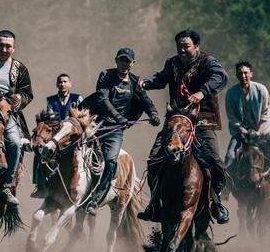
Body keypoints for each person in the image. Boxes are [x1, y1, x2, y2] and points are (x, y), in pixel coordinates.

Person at [138, 29, 229, 224]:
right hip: (176, 121)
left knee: (215, 162)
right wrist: (147, 83)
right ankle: (154, 204)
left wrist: (202, 93)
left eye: (186, 46)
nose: (182, 49)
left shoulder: (208, 62)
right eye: (179, 46)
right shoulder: (172, 63)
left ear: (196, 46)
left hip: (203, 120)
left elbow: (221, 77)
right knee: (154, 159)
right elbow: (161, 79)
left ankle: (216, 201)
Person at [85, 47, 159, 215]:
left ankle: (95, 200)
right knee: (66, 145)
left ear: (133, 63)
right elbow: (102, 98)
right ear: (116, 60)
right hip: (93, 124)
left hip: (114, 131)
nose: (124, 63)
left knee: (110, 161)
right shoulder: (106, 76)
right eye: (121, 59)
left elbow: (146, 101)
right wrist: (119, 116)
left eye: (128, 60)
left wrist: (153, 113)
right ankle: (49, 186)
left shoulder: (135, 82)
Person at [0, 30, 33, 205]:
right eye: (1, 45)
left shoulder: (19, 68)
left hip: (6, 113)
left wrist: (17, 99)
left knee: (15, 142)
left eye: (8, 46)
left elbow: (28, 94)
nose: (4, 49)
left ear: (14, 48)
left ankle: (6, 186)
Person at [31, 73, 83, 198]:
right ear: (56, 84)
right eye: (60, 82)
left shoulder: (78, 98)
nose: (62, 84)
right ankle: (40, 185)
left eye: (65, 82)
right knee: (39, 150)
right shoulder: (51, 100)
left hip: (72, 133)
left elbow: (81, 115)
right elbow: (50, 118)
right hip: (56, 132)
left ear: (70, 84)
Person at [224, 61, 270, 169]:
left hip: (261, 132)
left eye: (246, 73)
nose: (243, 76)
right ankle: (227, 185)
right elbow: (231, 116)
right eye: (240, 73)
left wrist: (259, 132)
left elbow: (265, 114)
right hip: (241, 132)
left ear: (251, 74)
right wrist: (241, 129)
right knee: (229, 156)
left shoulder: (261, 90)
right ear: (236, 75)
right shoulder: (231, 93)